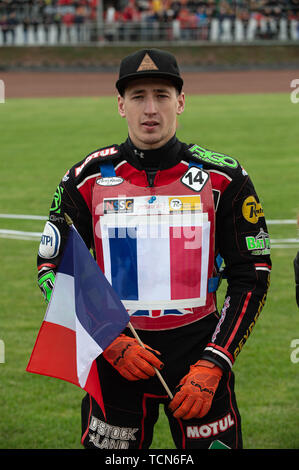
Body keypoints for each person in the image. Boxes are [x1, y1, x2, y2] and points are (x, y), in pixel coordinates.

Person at [37, 48, 271, 449]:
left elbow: (252, 276)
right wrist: (108, 340)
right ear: (120, 105)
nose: (150, 108)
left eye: (161, 95)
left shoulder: (225, 178)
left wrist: (216, 361)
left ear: (180, 102)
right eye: (138, 96)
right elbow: (52, 268)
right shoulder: (84, 179)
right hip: (116, 358)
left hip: (200, 357)